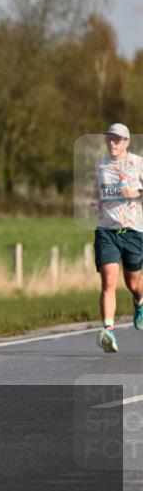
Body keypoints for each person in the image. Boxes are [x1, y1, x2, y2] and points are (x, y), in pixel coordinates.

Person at [92, 123, 143, 353]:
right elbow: (98, 191)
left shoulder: (138, 163)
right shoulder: (100, 164)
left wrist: (137, 193)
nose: (113, 143)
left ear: (126, 142)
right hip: (106, 230)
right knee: (108, 281)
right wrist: (94, 201)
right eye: (110, 139)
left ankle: (140, 302)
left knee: (133, 283)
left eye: (118, 139)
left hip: (133, 230)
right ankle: (108, 331)